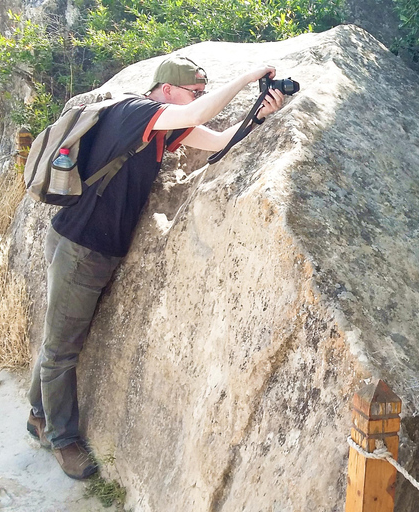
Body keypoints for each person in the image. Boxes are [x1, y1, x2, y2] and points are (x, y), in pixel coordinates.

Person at [26, 55, 286, 479]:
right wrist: (244, 78)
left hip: (86, 240)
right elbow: (198, 114)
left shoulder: (159, 126)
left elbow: (218, 140)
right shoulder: (138, 112)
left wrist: (257, 117)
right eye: (193, 92)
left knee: (60, 334)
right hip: (83, 246)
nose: (199, 99)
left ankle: (39, 412)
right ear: (167, 90)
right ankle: (60, 437)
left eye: (201, 92)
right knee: (62, 348)